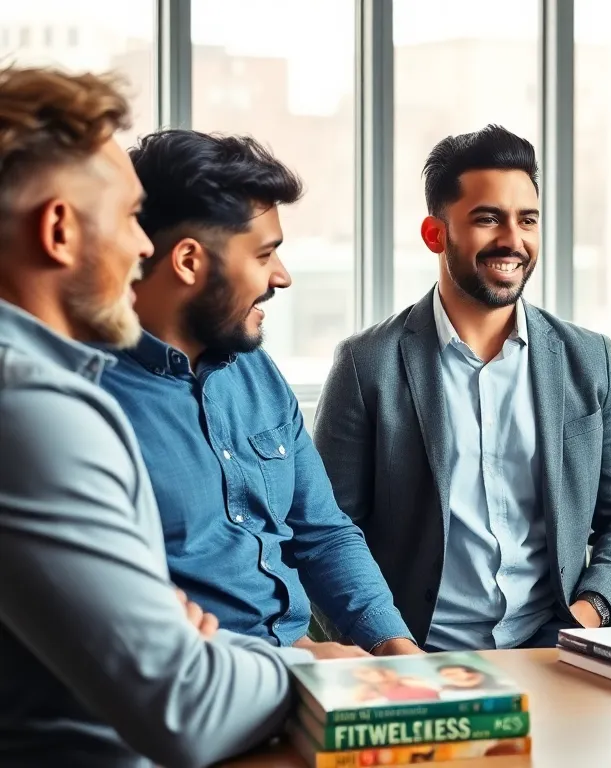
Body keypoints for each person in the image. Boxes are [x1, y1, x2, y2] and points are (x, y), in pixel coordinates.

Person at [0, 65, 313, 768]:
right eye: (127, 219)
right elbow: (185, 704)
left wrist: (203, 649)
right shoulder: (31, 407)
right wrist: (310, 670)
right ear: (58, 230)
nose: (145, 248)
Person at [313, 124, 611, 651]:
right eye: (487, 219)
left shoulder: (589, 360)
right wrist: (389, 649)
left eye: (527, 220)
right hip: (417, 656)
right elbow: (329, 533)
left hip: (555, 651)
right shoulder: (366, 365)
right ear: (436, 234)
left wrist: (586, 617)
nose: (512, 241)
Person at [98, 129, 420, 660]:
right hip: (198, 694)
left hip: (305, 674)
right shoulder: (90, 400)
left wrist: (393, 644)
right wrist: (302, 662)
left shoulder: (257, 372)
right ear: (188, 261)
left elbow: (324, 534)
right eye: (264, 254)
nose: (283, 277)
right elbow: (119, 625)